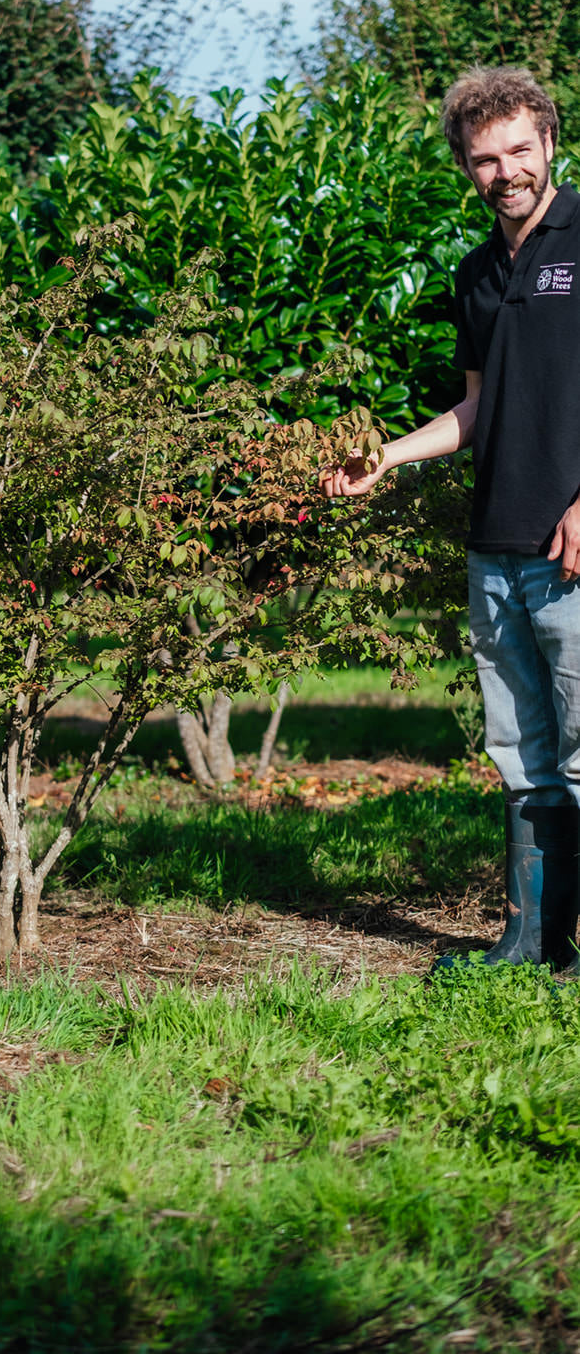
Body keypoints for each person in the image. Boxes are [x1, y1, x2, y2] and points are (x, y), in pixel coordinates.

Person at [322, 65, 580, 970]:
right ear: (466, 168)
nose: (505, 170)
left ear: (550, 141)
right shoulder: (475, 274)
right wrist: (388, 454)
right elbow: (477, 407)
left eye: (519, 150)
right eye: (484, 159)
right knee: (521, 755)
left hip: (574, 554)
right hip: (495, 551)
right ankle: (536, 942)